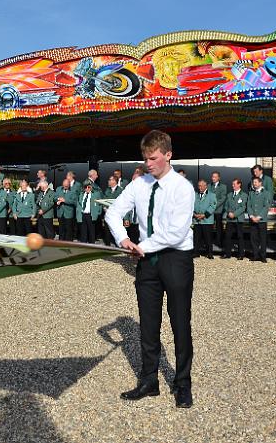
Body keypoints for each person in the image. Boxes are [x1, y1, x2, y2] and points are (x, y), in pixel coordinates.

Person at [104, 130, 195, 409]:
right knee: (148, 323)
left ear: (168, 155)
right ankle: (149, 381)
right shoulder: (139, 185)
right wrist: (123, 239)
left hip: (176, 259)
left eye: (153, 158)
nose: (148, 164)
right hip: (147, 262)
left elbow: (177, 232)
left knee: (180, 322)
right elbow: (113, 212)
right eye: (145, 158)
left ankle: (182, 384)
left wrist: (142, 246)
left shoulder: (182, 188)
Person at [247, 176, 272, 263]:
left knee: (263, 239)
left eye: (255, 182)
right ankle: (255, 255)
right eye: (253, 182)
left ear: (260, 183)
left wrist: (258, 217)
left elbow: (266, 206)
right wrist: (251, 216)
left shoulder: (266, 193)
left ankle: (263, 256)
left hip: (261, 220)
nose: (254, 184)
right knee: (253, 238)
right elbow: (248, 205)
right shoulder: (251, 193)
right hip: (252, 219)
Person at [222, 179, 248, 260]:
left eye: (234, 184)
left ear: (239, 184)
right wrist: (229, 212)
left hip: (238, 219)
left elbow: (243, 207)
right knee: (228, 236)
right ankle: (227, 254)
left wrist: (235, 214)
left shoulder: (244, 195)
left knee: (240, 237)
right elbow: (226, 206)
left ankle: (241, 255)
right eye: (232, 184)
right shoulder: (229, 194)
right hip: (230, 219)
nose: (232, 185)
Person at [192, 179, 217, 259]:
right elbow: (190, 205)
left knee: (208, 238)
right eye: (199, 186)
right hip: (197, 220)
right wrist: (194, 214)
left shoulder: (212, 195)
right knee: (196, 238)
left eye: (202, 186)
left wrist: (204, 215)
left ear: (206, 186)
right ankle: (196, 253)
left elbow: (213, 206)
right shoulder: (194, 194)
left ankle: (209, 253)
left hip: (207, 220)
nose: (200, 187)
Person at [101, 176, 123, 246]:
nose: (108, 181)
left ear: (114, 181)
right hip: (107, 214)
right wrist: (104, 208)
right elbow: (104, 200)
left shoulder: (120, 190)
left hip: (116, 215)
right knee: (107, 231)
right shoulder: (107, 190)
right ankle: (108, 247)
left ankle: (118, 246)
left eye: (110, 180)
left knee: (116, 231)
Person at [210, 172, 227, 251]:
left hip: (218, 210)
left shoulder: (223, 186)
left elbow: (223, 198)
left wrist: (214, 206)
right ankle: (209, 242)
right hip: (210, 210)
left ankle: (219, 243)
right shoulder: (209, 186)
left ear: (219, 178)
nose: (213, 178)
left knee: (219, 227)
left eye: (215, 177)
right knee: (209, 227)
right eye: (212, 177)